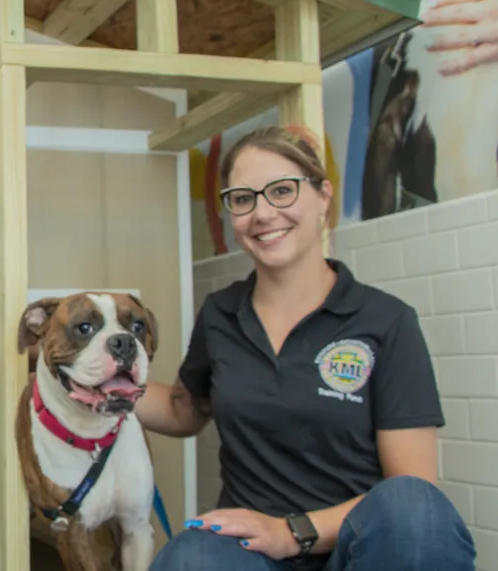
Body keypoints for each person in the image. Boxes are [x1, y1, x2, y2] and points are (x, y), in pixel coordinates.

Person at [135, 126, 475, 571]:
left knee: (414, 507)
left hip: (356, 550)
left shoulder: (385, 321)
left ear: (323, 195)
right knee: (191, 556)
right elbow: (185, 407)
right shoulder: (221, 313)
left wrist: (292, 532)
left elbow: (411, 489)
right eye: (243, 198)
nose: (262, 213)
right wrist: (88, 383)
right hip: (250, 553)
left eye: (282, 191)